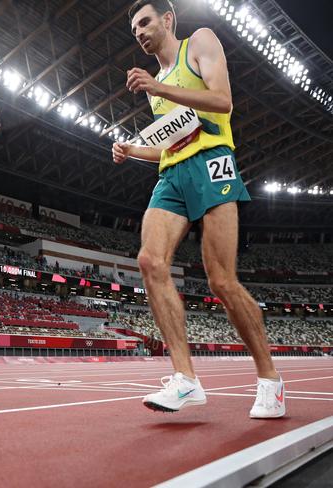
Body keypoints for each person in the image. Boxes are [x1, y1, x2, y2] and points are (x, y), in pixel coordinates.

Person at [113, 0, 284, 418]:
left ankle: (270, 381)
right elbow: (169, 143)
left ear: (168, 20)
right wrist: (132, 149)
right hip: (172, 174)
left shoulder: (199, 43)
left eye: (145, 21)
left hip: (213, 163)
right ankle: (186, 381)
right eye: (134, 27)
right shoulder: (158, 88)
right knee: (150, 261)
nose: (139, 31)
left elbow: (222, 101)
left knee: (221, 281)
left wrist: (158, 88)